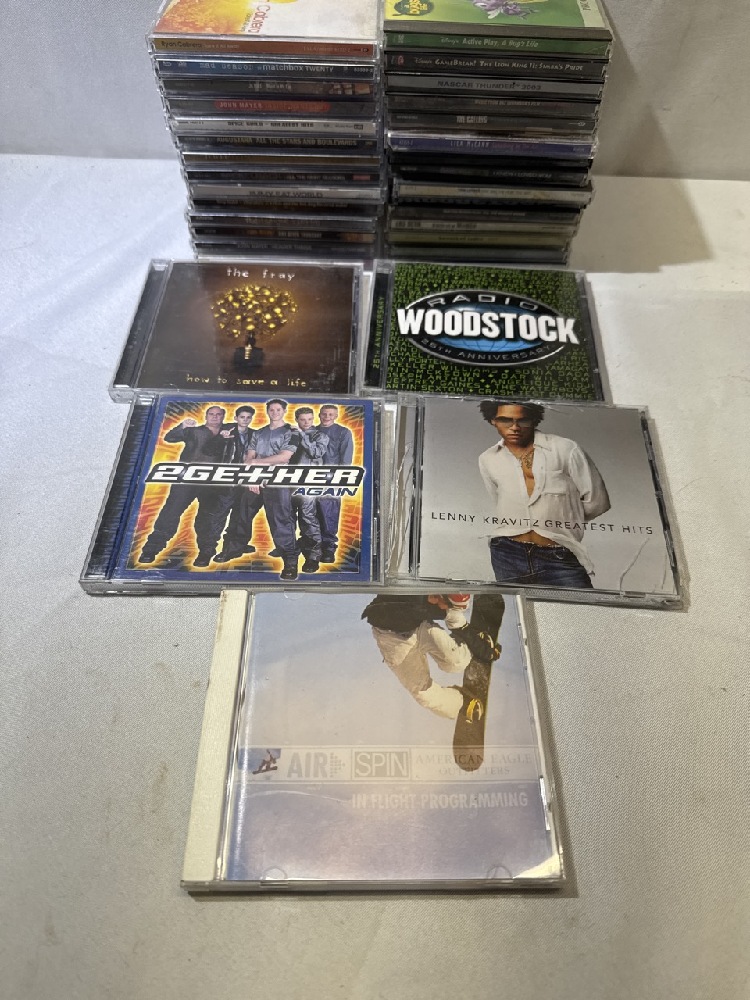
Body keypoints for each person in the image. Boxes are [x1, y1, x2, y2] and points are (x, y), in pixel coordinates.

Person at [478, 400, 610, 588]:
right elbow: (499, 500)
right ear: (493, 420)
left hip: (558, 553)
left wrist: (563, 517)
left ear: (534, 420)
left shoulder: (565, 448)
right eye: (505, 420)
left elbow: (597, 502)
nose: (514, 427)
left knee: (581, 604)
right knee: (519, 605)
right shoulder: (488, 458)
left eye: (522, 420)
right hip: (507, 553)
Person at [361, 594, 499, 720]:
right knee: (423, 693)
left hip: (419, 627)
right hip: (393, 640)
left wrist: (482, 648)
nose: (447, 609)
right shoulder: (411, 599)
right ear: (437, 596)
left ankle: (467, 650)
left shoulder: (443, 601)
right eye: (450, 605)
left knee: (457, 663)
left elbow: (460, 625)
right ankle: (459, 702)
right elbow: (375, 613)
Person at [213, 398, 299, 579]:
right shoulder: (259, 432)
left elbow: (283, 457)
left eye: (278, 409)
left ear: (284, 411)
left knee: (281, 521)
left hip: (277, 481)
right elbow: (249, 456)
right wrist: (253, 476)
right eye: (271, 410)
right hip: (255, 480)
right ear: (267, 411)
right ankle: (234, 549)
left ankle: (290, 561)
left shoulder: (291, 432)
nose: (275, 413)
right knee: (241, 515)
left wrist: (256, 464)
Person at [139, 404, 228, 567]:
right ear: (206, 416)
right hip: (187, 478)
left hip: (213, 482)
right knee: (170, 513)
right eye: (212, 414)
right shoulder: (194, 431)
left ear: (223, 416)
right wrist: (182, 426)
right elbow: (170, 438)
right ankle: (151, 550)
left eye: (218, 414)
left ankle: (205, 552)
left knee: (209, 518)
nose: (215, 417)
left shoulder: (229, 432)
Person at [287, 406, 329, 573]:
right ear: (297, 419)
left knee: (308, 516)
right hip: (288, 481)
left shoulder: (320, 436)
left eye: (309, 419)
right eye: (303, 419)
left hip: (309, 482)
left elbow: (315, 453)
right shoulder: (290, 434)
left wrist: (301, 435)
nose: (306, 422)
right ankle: (290, 550)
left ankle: (313, 556)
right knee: (287, 516)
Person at [314, 404, 353, 563]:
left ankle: (328, 549)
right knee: (310, 514)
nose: (327, 417)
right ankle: (313, 548)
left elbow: (346, 457)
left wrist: (340, 479)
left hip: (331, 478)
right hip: (310, 477)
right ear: (319, 414)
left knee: (329, 514)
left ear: (336, 416)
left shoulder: (343, 432)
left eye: (330, 414)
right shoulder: (312, 430)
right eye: (324, 414)